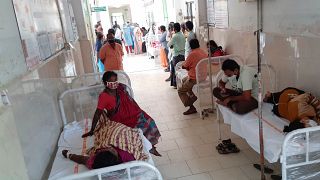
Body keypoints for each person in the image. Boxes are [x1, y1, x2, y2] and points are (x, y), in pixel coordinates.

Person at [82, 71, 162, 156]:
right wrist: (92, 130)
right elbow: (98, 113)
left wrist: (137, 110)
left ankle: (151, 146)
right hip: (120, 120)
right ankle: (149, 148)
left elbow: (130, 101)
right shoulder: (104, 96)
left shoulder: (120, 89)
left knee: (149, 122)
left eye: (115, 81)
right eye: (111, 81)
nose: (114, 83)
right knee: (136, 134)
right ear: (105, 83)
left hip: (133, 114)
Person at [178, 39, 208, 115]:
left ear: (190, 46)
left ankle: (191, 104)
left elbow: (184, 66)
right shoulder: (203, 52)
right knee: (184, 80)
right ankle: (191, 96)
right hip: (203, 76)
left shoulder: (192, 54)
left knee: (180, 91)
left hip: (194, 78)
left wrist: (187, 67)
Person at [167, 23, 186, 88]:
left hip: (176, 55)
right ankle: (181, 82)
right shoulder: (182, 35)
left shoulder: (175, 36)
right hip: (183, 54)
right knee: (181, 70)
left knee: (175, 70)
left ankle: (176, 84)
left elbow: (169, 45)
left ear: (174, 29)